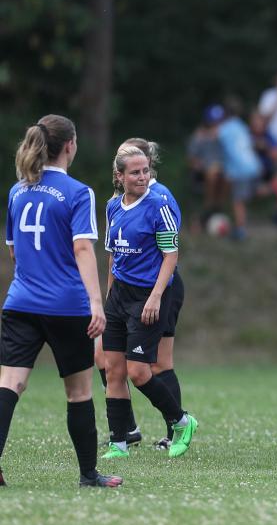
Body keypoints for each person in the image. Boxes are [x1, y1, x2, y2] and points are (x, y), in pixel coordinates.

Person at [0, 115, 121, 487]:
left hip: (20, 302)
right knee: (79, 392)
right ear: (70, 145)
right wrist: (96, 303)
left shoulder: (18, 190)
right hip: (67, 306)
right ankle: (88, 475)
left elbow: (14, 251)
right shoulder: (77, 192)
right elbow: (82, 247)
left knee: (10, 384)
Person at [101, 144, 197, 459]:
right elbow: (113, 256)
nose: (142, 177)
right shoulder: (113, 206)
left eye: (145, 171)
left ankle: (182, 421)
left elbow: (171, 254)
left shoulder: (159, 205)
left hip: (148, 296)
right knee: (112, 369)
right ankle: (118, 442)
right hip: (119, 296)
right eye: (135, 172)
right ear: (119, 176)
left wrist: (156, 296)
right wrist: (107, 294)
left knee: (139, 372)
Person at [217, 98, 262, 241]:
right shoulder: (242, 126)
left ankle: (240, 230)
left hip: (240, 169)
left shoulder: (223, 129)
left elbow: (222, 147)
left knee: (238, 201)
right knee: (247, 196)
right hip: (254, 166)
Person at [186, 106, 227, 232]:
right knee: (212, 174)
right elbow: (191, 159)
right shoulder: (199, 136)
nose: (216, 125)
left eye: (219, 122)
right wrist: (202, 166)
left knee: (227, 177)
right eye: (213, 122)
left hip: (222, 171)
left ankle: (218, 210)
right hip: (203, 172)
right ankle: (209, 209)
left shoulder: (226, 136)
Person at [249, 111, 277, 225]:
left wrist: (266, 147)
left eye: (260, 122)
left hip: (268, 174)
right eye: (255, 122)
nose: (257, 125)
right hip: (252, 177)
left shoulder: (269, 136)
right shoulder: (245, 136)